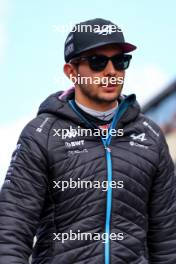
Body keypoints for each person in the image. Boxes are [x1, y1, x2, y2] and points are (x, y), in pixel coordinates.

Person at [0, 18, 176, 264]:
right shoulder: (41, 134)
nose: (111, 71)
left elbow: (168, 240)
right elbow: (11, 231)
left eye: (120, 61)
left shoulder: (150, 136)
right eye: (97, 62)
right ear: (71, 72)